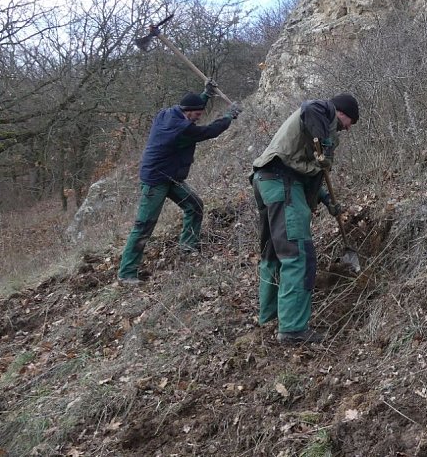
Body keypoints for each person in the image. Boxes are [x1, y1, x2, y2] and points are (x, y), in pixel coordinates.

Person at [251, 93, 359, 344]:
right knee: (297, 254)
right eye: (350, 120)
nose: (349, 127)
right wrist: (325, 144)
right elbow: (311, 108)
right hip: (281, 181)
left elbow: (303, 171)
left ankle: (270, 315)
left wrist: (325, 199)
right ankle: (292, 329)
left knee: (273, 254)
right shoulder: (322, 111)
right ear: (340, 112)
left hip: (269, 180)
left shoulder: (314, 132)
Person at [117, 81, 241, 285]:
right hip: (155, 181)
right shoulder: (180, 130)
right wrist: (229, 116)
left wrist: (205, 94)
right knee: (144, 226)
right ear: (188, 112)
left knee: (195, 206)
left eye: (200, 113)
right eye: (198, 114)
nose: (199, 117)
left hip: (170, 177)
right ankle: (126, 273)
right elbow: (209, 132)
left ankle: (188, 246)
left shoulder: (168, 113)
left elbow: (193, 106)